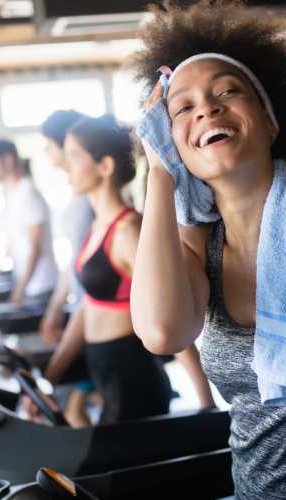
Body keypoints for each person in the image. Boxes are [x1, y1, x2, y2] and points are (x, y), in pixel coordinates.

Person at [130, 1, 286, 500]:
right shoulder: (196, 251)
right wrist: (159, 172)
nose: (207, 107)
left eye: (228, 90)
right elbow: (162, 332)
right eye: (182, 108)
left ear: (270, 121)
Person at [44, 114, 173, 424]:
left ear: (105, 166)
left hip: (132, 379)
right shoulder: (96, 226)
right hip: (104, 369)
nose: (64, 164)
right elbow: (90, 304)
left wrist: (206, 406)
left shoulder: (128, 230)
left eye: (74, 156)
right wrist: (53, 372)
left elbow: (165, 318)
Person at [39, 110, 96, 427]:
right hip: (79, 309)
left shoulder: (90, 197)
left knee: (74, 408)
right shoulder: (76, 194)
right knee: (75, 408)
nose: (48, 155)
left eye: (49, 146)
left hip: (92, 311)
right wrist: (55, 310)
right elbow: (73, 262)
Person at [0, 139, 58, 306]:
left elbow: (35, 247)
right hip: (29, 284)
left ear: (8, 159)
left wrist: (19, 290)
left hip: (41, 286)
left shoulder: (27, 193)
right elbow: (16, 239)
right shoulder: (12, 193)